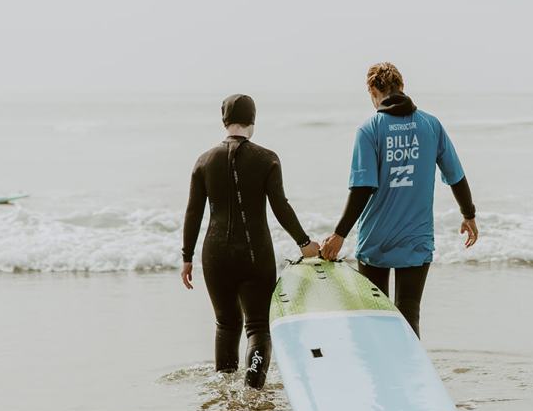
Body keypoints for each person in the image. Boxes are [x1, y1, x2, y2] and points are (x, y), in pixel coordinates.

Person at [319, 62, 478, 337]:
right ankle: (411, 364)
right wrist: (469, 214)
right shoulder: (431, 125)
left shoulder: (370, 130)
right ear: (402, 87)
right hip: (416, 238)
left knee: (375, 317)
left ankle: (378, 363)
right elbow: (456, 175)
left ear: (372, 91)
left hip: (376, 239)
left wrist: (339, 234)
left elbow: (362, 188)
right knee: (408, 313)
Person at [181, 94, 319, 388]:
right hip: (256, 254)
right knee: (257, 326)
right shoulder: (267, 159)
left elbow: (193, 212)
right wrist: (304, 243)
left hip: (215, 255)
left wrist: (186, 257)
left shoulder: (204, 161)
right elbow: (280, 206)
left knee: (226, 324)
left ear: (224, 121)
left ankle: (225, 391)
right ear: (253, 120)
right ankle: (253, 389)